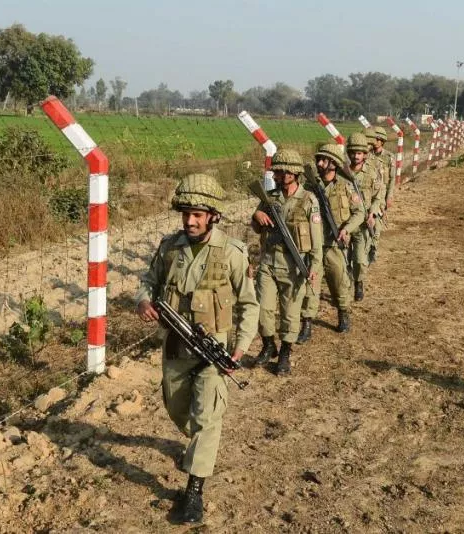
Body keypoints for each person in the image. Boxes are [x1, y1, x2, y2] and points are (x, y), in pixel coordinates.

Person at [135, 173, 259, 524]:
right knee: (177, 408)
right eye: (186, 213)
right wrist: (143, 301)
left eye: (198, 214)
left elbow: (250, 304)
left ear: (213, 216)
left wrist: (240, 348)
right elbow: (148, 281)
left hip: (213, 351)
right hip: (175, 346)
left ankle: (194, 491)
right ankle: (199, 444)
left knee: (207, 416)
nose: (190, 221)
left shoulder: (232, 253)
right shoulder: (170, 247)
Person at [251, 149, 323, 374]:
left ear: (295, 173)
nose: (280, 175)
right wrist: (257, 217)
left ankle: (284, 352)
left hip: (294, 266)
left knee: (291, 313)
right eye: (277, 171)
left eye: (284, 172)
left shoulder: (308, 200)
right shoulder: (269, 198)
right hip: (268, 263)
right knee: (264, 310)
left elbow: (316, 240)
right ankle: (268, 345)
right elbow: (255, 226)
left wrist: (314, 268)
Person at [297, 144, 364, 342]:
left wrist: (346, 229)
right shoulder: (309, 187)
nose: (319, 163)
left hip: (335, 245)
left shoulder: (346, 186)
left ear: (333, 163)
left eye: (323, 160)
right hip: (312, 246)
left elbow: (360, 212)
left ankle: (343, 313)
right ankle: (306, 323)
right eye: (318, 159)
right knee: (311, 285)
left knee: (340, 283)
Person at [345, 132, 385, 301]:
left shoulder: (372, 173)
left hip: (363, 224)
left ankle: (359, 282)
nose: (356, 156)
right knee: (344, 260)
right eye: (353, 152)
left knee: (360, 260)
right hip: (344, 223)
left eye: (359, 153)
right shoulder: (342, 173)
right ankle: (344, 287)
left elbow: (378, 196)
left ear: (365, 154)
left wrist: (373, 212)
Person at [365, 126, 395, 263]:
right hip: (368, 194)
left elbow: (392, 179)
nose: (374, 141)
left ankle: (373, 249)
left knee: (377, 225)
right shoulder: (367, 155)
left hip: (381, 197)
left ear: (382, 141)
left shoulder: (389, 157)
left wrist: (389, 197)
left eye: (377, 139)